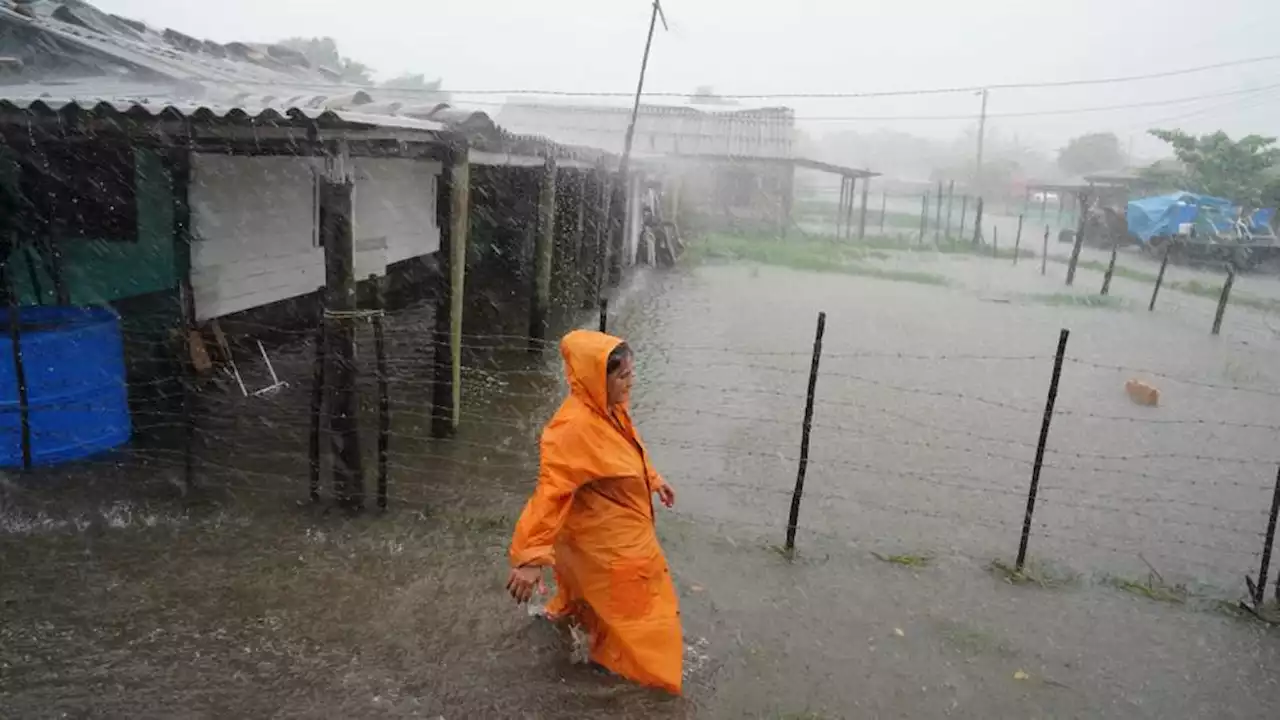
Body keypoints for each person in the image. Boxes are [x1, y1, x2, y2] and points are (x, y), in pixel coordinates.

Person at [506, 330, 683, 695]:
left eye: (632, 373)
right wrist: (530, 556)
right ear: (596, 379)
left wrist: (653, 478)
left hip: (607, 535)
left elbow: (628, 449)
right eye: (622, 376)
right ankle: (646, 687)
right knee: (646, 622)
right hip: (610, 547)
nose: (631, 382)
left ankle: (594, 656)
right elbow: (550, 494)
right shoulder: (572, 429)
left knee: (604, 606)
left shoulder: (611, 410)